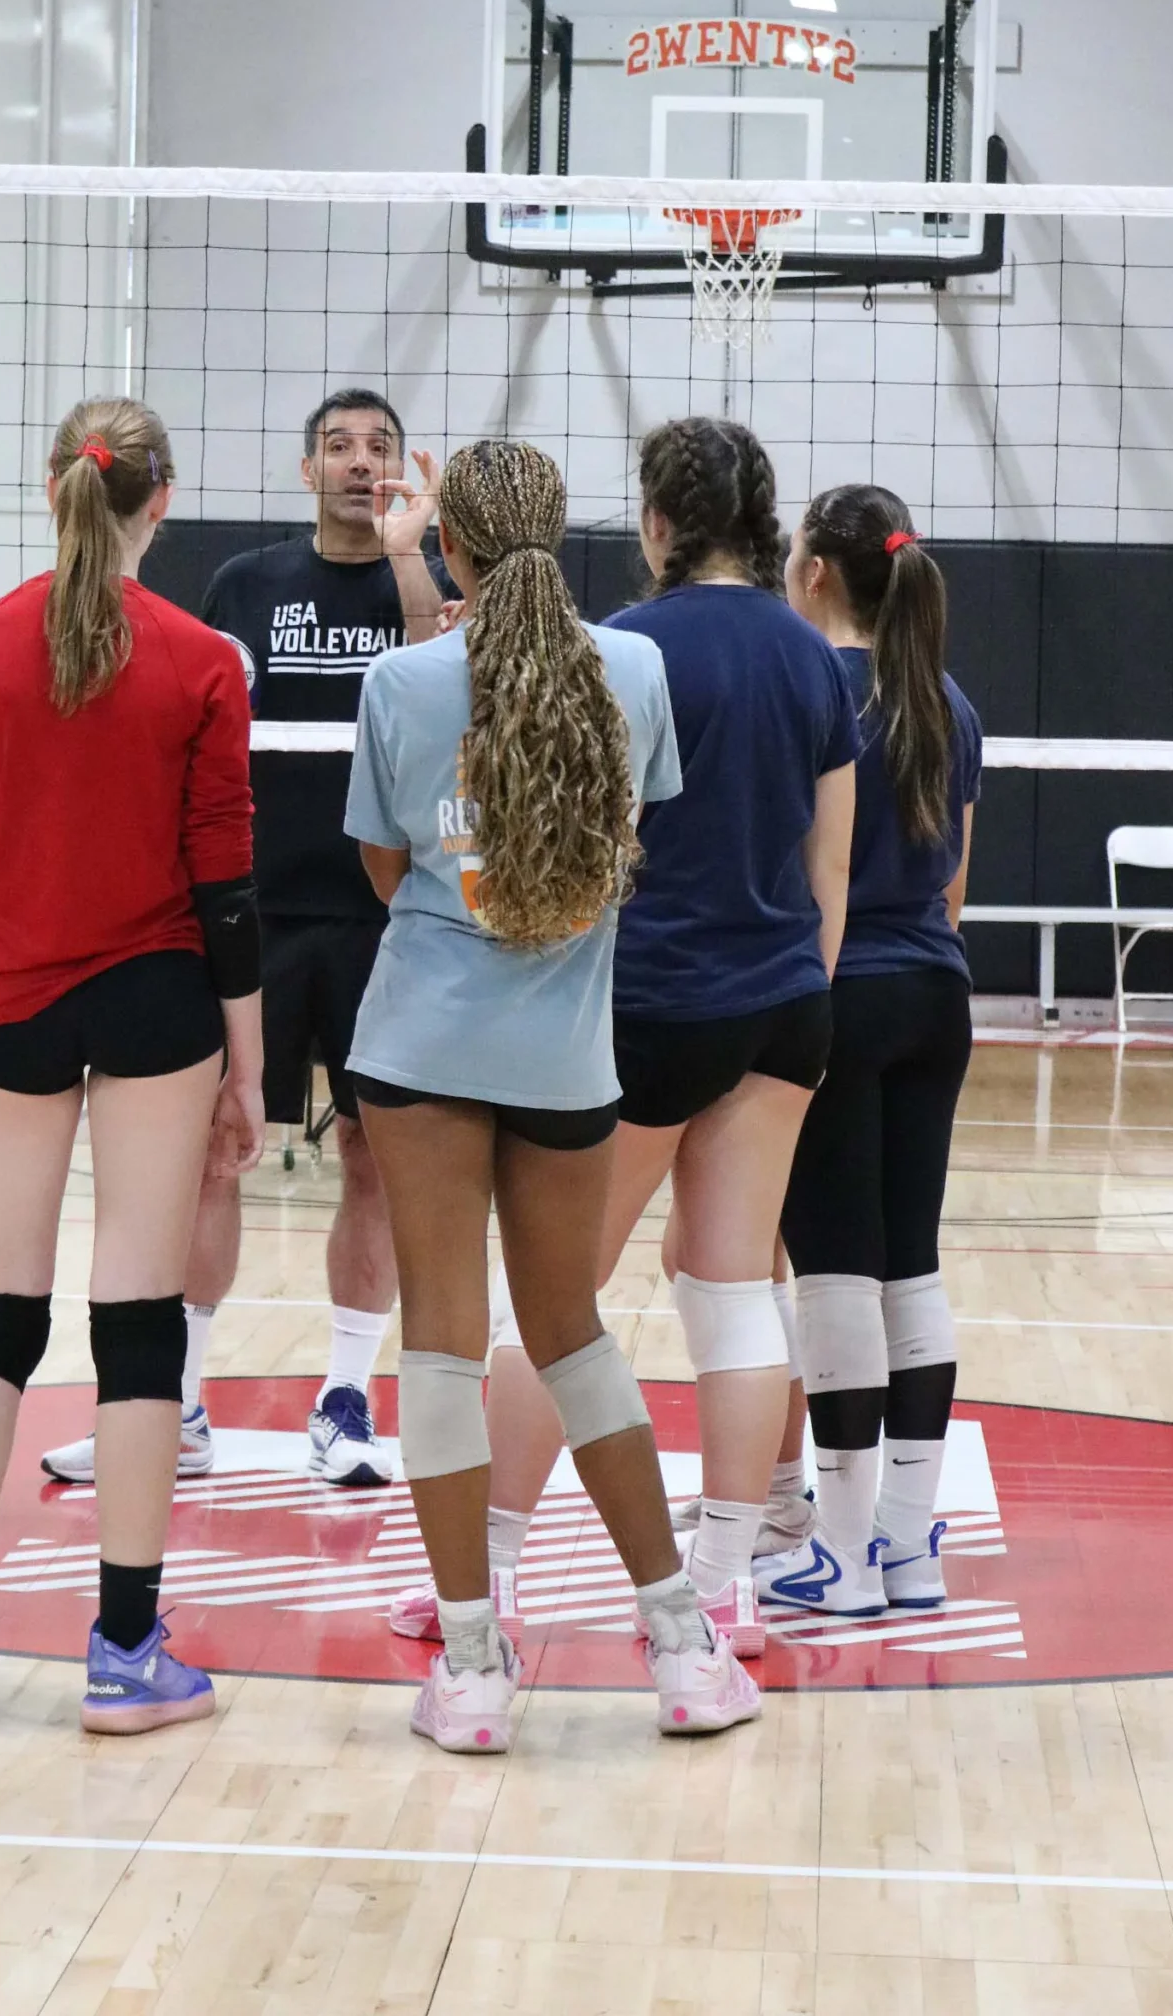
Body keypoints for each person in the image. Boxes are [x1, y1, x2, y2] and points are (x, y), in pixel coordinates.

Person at [394, 418, 856, 1658]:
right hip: (784, 1004)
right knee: (732, 1296)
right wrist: (790, 1000)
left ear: (656, 521)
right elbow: (832, 870)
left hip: (650, 1004)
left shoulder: (627, 646)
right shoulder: (816, 660)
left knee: (557, 1309)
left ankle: (479, 1573)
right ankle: (722, 1593)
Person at [349, 436, 760, 1753]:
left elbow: (383, 870)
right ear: (565, 531)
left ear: (450, 547)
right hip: (567, 1061)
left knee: (438, 1346)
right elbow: (622, 842)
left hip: (419, 1045)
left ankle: (471, 1672)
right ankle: (682, 1653)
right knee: (571, 1337)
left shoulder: (402, 681)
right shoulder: (632, 667)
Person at [0, 397, 261, 1737]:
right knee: (137, 1316)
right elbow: (224, 882)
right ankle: (121, 1650)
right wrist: (248, 1064)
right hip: (158, 997)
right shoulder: (199, 657)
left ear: (50, 487)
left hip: (4, 1000)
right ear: (156, 505)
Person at [39, 387, 443, 1494]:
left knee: (374, 1158)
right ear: (304, 466)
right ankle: (179, 1406)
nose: (361, 463)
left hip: (384, 920)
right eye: (339, 446)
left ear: (409, 471)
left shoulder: (429, 585)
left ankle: (346, 1400)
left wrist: (415, 558)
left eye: (381, 449)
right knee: (214, 1155)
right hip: (251, 917)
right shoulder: (242, 586)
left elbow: (436, 680)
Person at [765, 484, 979, 1615]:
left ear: (813, 575)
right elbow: (953, 893)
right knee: (913, 1264)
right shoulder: (950, 701)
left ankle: (839, 1555)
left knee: (836, 1270)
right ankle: (907, 1544)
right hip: (937, 1002)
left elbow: (804, 871)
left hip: (839, 994)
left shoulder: (806, 691)